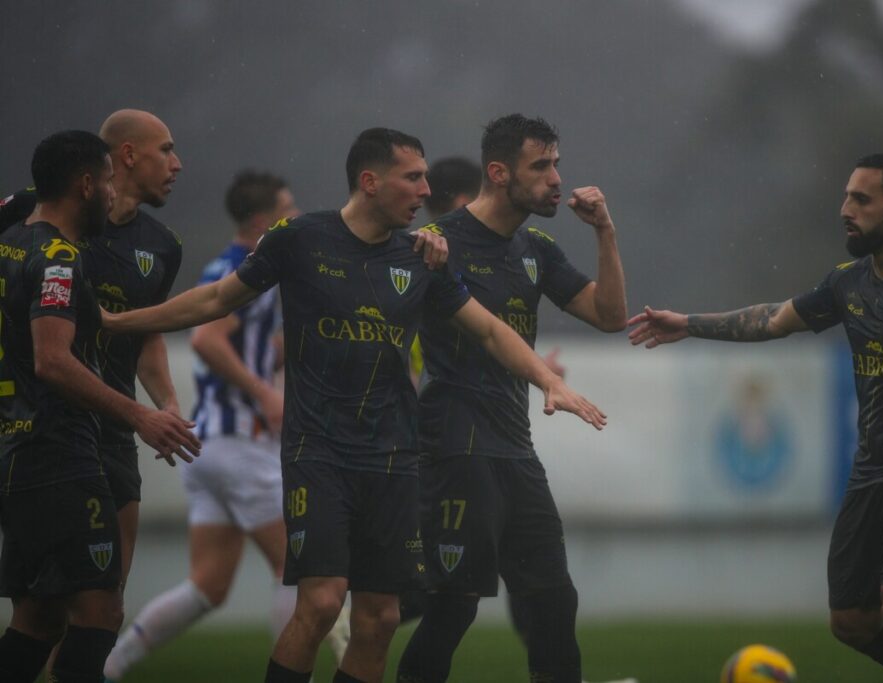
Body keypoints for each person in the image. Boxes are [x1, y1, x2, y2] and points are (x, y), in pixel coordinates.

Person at [101, 127, 606, 683]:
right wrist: (116, 322)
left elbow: (488, 331)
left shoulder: (421, 258)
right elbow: (219, 299)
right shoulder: (300, 238)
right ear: (370, 182)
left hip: (393, 458)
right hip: (317, 452)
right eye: (413, 177)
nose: (425, 188)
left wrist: (545, 381)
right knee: (319, 604)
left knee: (381, 618)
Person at [627, 154, 883, 683]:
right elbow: (771, 319)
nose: (845, 210)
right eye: (845, 197)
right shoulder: (846, 283)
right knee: (851, 622)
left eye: (861, 200)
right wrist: (689, 324)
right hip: (871, 469)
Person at [397, 114, 628, 683]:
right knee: (453, 604)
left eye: (557, 165)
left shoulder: (538, 249)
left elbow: (611, 316)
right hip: (454, 445)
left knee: (553, 601)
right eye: (541, 166)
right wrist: (550, 381)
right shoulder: (438, 244)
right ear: (498, 173)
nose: (556, 179)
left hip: (514, 448)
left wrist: (605, 232)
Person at [0, 131, 200, 683]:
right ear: (90, 182)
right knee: (101, 609)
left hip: (33, 442)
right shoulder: (57, 253)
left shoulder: (18, 240)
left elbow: (148, 334)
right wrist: (140, 415)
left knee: (40, 617)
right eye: (166, 148)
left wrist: (165, 404)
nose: (177, 163)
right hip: (61, 443)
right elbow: (53, 361)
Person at [103, 171, 301, 681]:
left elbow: (247, 347)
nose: (296, 218)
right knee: (298, 573)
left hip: (209, 448)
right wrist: (266, 396)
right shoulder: (239, 270)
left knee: (207, 587)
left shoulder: (249, 269)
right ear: (263, 222)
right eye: (288, 209)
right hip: (240, 444)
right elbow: (208, 340)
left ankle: (109, 666)